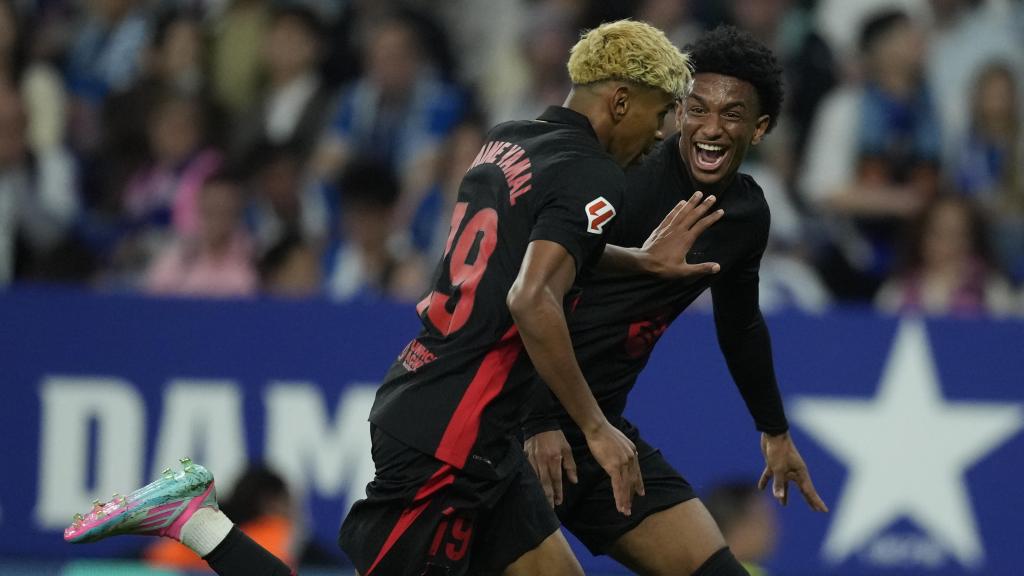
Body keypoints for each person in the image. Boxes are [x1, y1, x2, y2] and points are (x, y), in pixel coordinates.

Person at [65, 19, 718, 576]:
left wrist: (639, 261)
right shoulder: (594, 174)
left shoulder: (510, 139)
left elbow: (523, 256)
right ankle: (197, 520)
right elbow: (531, 298)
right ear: (622, 102)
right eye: (661, 114)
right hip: (450, 441)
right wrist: (595, 428)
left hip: (463, 422)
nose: (662, 135)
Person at [522, 26, 827, 576]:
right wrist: (537, 420)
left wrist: (774, 430)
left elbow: (740, 326)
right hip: (519, 424)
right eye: (697, 108)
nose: (712, 128)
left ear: (759, 129)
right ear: (678, 114)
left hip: (599, 433)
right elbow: (528, 292)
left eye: (732, 114)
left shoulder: (745, 216)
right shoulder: (622, 178)